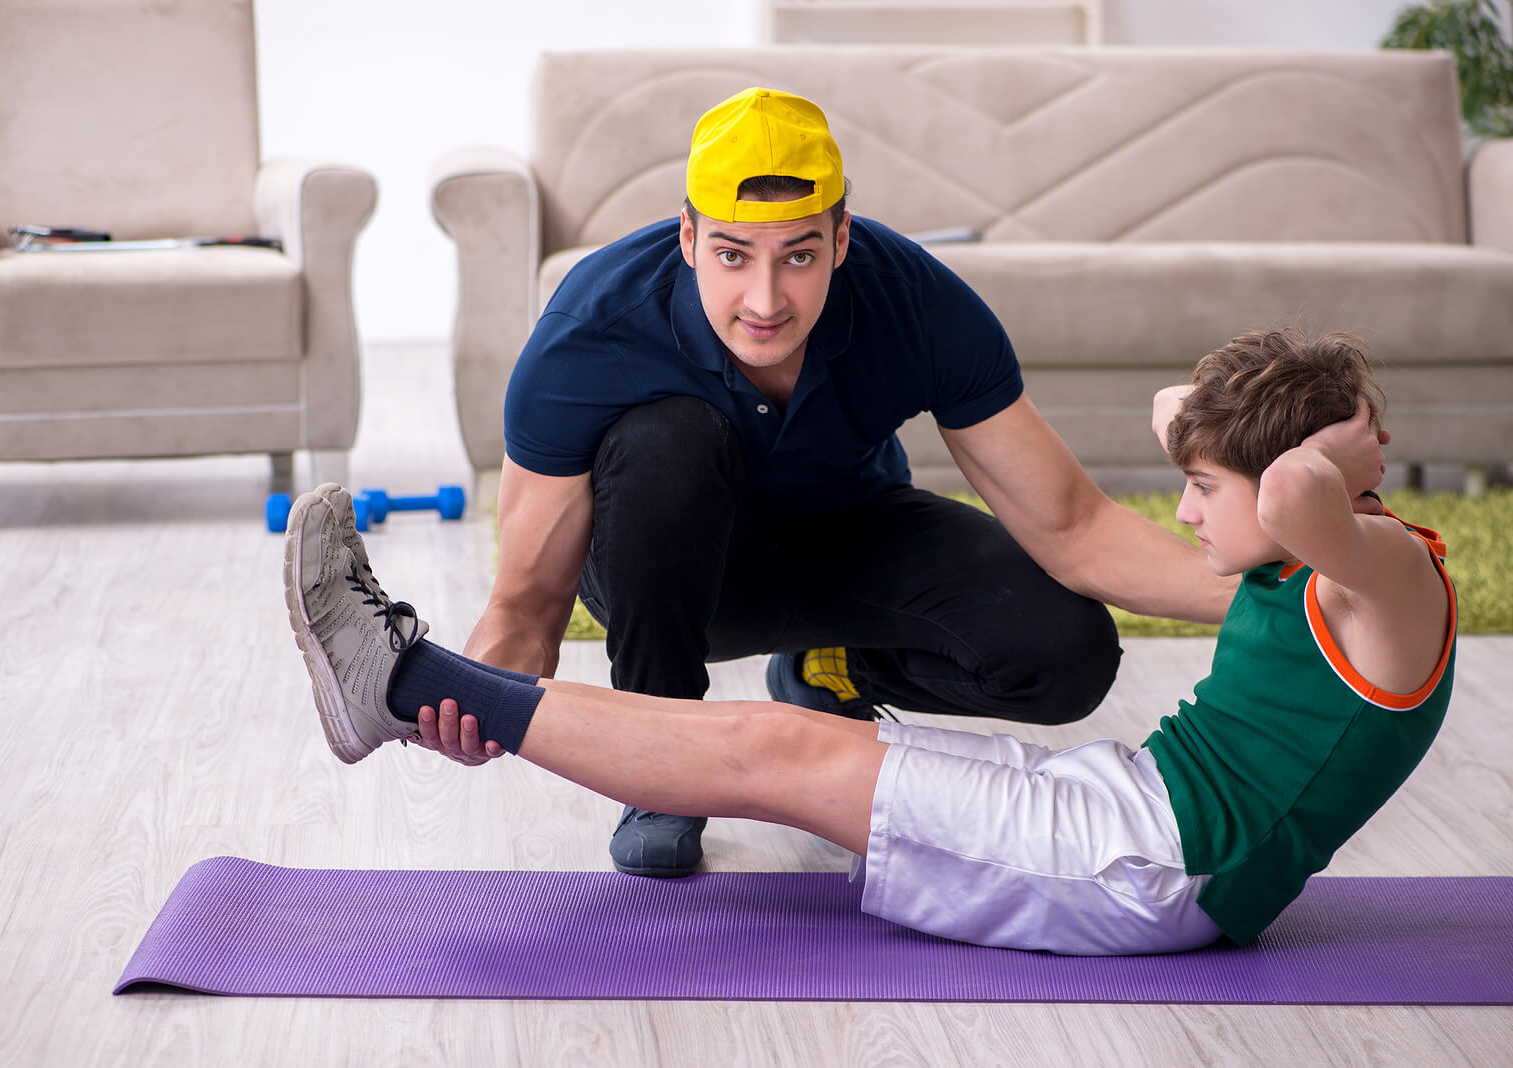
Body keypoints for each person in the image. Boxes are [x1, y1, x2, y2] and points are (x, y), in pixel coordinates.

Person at [282, 329, 1456, 954]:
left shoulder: (1385, 580)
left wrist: (1333, 448)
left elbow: (1291, 488)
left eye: (1202, 488)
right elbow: (1204, 435)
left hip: (1150, 873)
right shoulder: (1312, 549)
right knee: (788, 738)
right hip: (1128, 812)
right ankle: (419, 684)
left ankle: (402, 676)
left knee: (774, 755)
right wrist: (1265, 426)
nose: (1186, 512)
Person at [451, 84, 1244, 877]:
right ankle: (663, 770)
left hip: (851, 539)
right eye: (733, 255)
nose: (765, 301)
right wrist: (474, 699)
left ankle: (826, 671)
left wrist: (1283, 599)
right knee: (668, 441)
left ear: (841, 239)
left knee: (1067, 651)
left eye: (798, 256)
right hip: (668, 572)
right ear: (688, 237)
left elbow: (1074, 527)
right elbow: (527, 602)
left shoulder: (915, 300)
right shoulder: (592, 328)